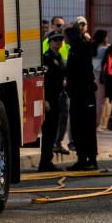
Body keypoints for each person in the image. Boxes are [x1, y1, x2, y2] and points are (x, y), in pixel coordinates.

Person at [64, 26, 98, 171]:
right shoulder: (76, 48)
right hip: (79, 94)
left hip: (83, 95)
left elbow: (82, 73)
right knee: (79, 128)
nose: (64, 39)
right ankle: (83, 158)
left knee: (85, 128)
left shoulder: (80, 49)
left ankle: (88, 158)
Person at [38, 32, 67, 172]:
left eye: (60, 40)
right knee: (48, 131)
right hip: (49, 99)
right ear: (49, 42)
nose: (58, 42)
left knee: (53, 130)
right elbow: (43, 81)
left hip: (57, 98)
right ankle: (44, 163)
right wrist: (44, 100)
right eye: (55, 40)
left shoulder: (58, 57)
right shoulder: (46, 58)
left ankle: (48, 161)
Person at [90, 29, 110, 128]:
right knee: (100, 101)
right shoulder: (104, 49)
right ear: (103, 38)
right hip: (100, 77)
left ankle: (91, 121)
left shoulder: (92, 48)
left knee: (93, 100)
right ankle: (96, 123)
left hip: (91, 75)